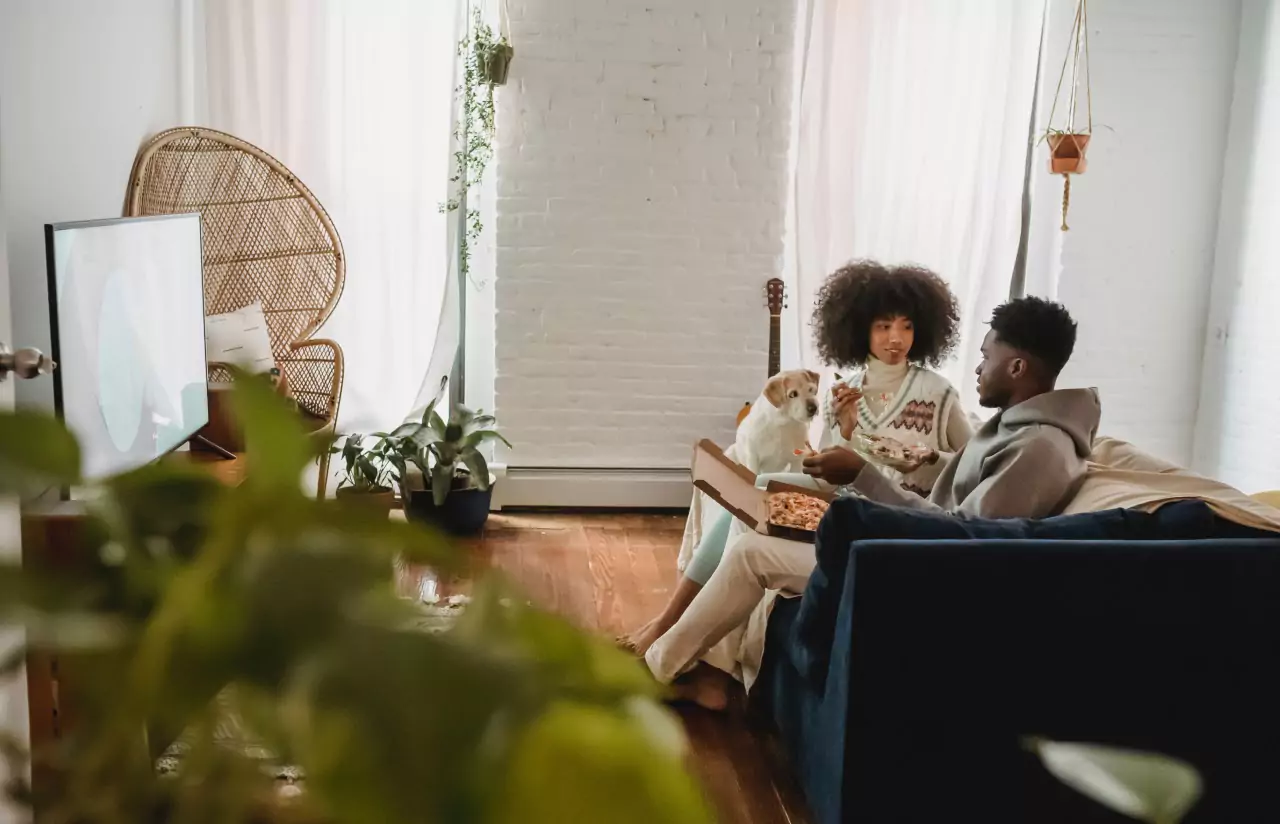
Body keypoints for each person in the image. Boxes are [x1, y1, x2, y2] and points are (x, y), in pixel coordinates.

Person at [644, 296, 1099, 706]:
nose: (979, 368)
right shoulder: (1018, 428)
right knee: (755, 525)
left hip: (907, 565)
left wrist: (863, 476)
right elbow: (959, 477)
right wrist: (895, 456)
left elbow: (964, 540)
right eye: (882, 326)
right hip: (898, 537)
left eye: (986, 357)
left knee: (752, 547)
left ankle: (664, 668)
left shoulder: (1038, 449)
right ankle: (670, 665)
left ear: (1016, 368)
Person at [620, 261, 973, 655]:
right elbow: (825, 467)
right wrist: (845, 429)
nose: (896, 338)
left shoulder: (939, 394)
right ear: (860, 329)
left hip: (897, 520)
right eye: (883, 326)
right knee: (748, 498)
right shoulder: (844, 390)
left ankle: (670, 634)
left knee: (751, 508)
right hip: (841, 507)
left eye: (906, 326)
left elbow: (972, 465)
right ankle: (668, 626)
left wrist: (928, 459)